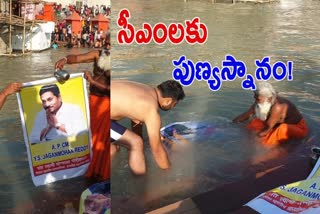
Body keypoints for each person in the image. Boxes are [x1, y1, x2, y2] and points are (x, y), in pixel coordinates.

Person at [55, 47, 110, 180]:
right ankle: (91, 166)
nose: (107, 46)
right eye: (106, 42)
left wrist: (92, 81)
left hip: (108, 103)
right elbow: (78, 58)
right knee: (92, 136)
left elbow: (112, 89)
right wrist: (65, 60)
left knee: (102, 139)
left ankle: (101, 171)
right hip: (94, 101)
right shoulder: (98, 53)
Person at [111, 79, 185, 175]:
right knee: (136, 142)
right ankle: (139, 184)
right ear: (168, 101)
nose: (173, 107)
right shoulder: (151, 111)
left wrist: (140, 151)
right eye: (174, 104)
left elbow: (135, 117)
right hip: (100, 117)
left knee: (113, 149)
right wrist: (169, 173)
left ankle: (102, 174)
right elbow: (157, 150)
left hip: (95, 108)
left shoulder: (145, 90)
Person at [232, 82, 308, 146]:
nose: (255, 100)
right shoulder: (261, 100)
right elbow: (247, 114)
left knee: (279, 131)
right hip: (274, 124)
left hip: (298, 128)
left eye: (258, 99)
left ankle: (269, 150)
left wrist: (254, 141)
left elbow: (267, 129)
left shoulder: (278, 106)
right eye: (255, 97)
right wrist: (231, 124)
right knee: (254, 123)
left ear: (269, 98)